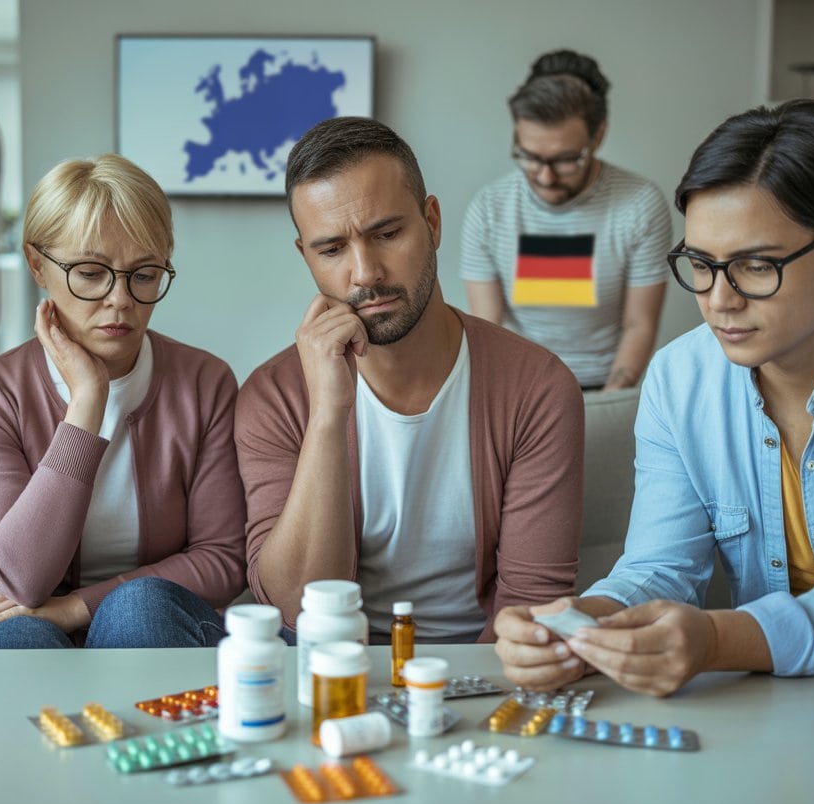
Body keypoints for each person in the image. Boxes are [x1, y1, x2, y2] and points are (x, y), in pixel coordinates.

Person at [495, 99, 814, 696]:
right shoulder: (678, 380)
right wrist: (582, 625)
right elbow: (660, 568)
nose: (719, 300)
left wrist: (717, 641)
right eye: (701, 263)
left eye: (756, 266)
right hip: (773, 708)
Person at [235, 117, 584, 644]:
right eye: (331, 250)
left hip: (483, 668)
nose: (365, 273)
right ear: (306, 256)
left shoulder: (538, 388)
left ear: (433, 223)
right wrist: (327, 414)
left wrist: (448, 690)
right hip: (336, 669)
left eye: (387, 234)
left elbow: (531, 608)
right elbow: (294, 609)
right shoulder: (274, 396)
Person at [0, 154, 247, 649]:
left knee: (139, 607)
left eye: (144, 274)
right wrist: (87, 403)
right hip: (25, 629)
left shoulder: (204, 382)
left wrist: (77, 608)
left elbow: (222, 558)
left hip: (157, 626)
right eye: (90, 272)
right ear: (37, 265)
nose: (120, 299)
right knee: (20, 634)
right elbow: (18, 581)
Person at [460, 49, 670, 391]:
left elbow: (639, 324)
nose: (545, 177)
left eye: (565, 160)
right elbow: (487, 327)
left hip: (601, 386)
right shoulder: (489, 209)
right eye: (530, 157)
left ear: (598, 137)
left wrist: (606, 405)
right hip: (518, 387)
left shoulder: (639, 205)